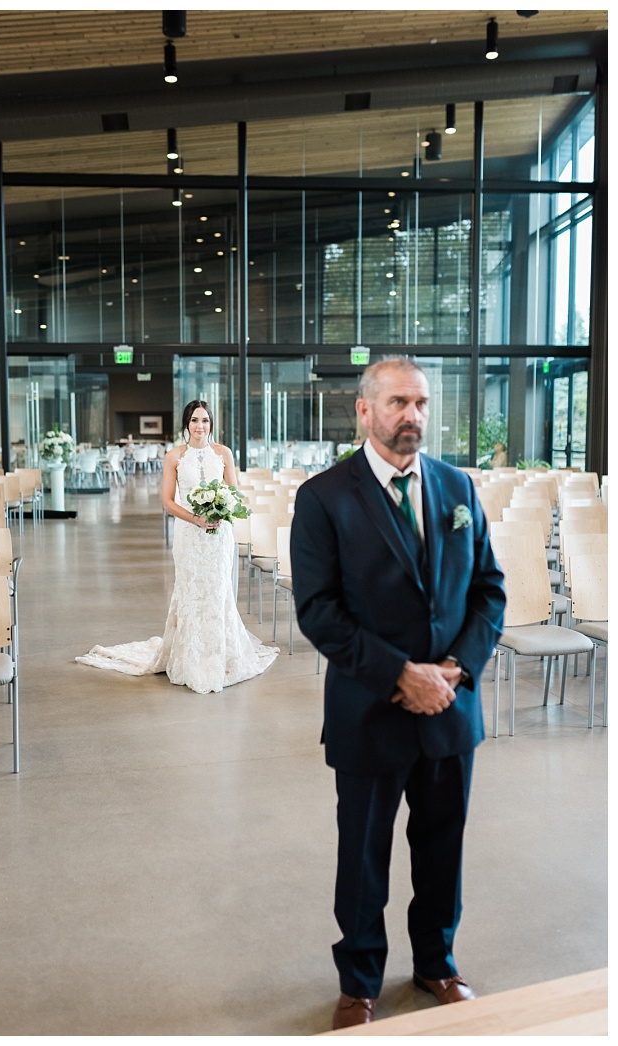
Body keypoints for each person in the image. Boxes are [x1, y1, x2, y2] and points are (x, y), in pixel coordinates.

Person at [290, 358, 505, 1030]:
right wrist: (399, 675)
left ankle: (437, 963)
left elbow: (489, 591)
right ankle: (359, 983)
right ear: (364, 410)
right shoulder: (324, 497)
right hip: (369, 711)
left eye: (421, 403)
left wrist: (455, 670)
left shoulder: (455, 486)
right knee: (363, 857)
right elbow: (319, 610)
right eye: (397, 403)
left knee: (443, 847)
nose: (412, 415)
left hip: (450, 708)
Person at [76, 401, 277, 693]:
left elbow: (234, 493)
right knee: (191, 590)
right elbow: (168, 501)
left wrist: (222, 508)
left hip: (220, 535)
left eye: (205, 421)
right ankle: (190, 658)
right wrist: (196, 518)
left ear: (211, 423)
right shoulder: (174, 457)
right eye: (194, 420)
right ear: (186, 424)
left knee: (218, 590)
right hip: (188, 534)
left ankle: (221, 654)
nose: (200, 426)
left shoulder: (223, 454)